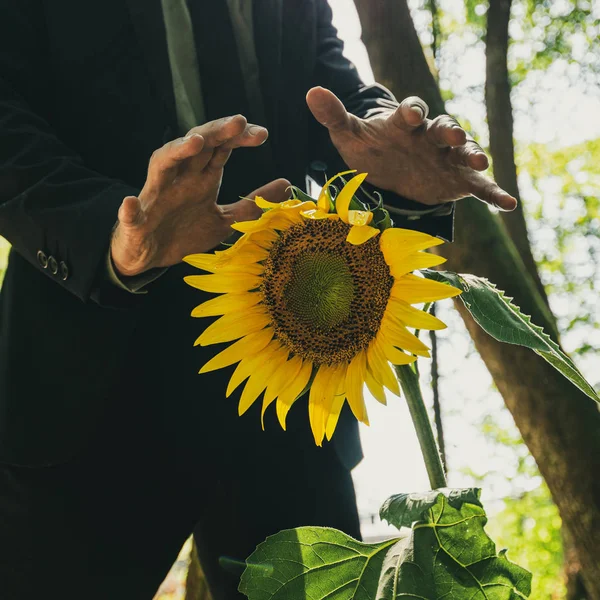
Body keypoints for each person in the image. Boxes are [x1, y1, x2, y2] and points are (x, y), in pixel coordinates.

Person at [0, 1, 516, 598]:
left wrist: (389, 146)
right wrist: (111, 235)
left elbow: (336, 99)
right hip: (85, 381)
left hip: (293, 382)